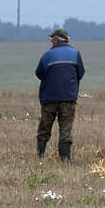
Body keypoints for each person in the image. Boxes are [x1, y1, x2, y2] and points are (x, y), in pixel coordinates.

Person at [35, 28, 85, 161]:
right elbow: (80, 73)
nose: (51, 41)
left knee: (45, 127)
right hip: (68, 97)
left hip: (49, 98)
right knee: (65, 129)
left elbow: (39, 74)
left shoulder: (47, 55)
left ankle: (40, 155)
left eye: (52, 39)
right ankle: (65, 159)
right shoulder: (75, 54)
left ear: (57, 39)